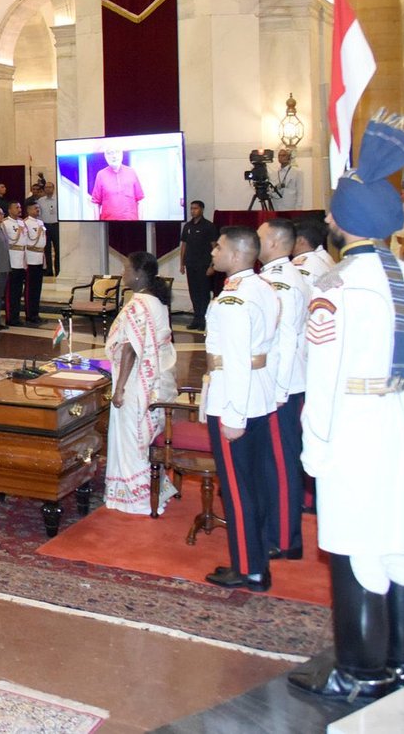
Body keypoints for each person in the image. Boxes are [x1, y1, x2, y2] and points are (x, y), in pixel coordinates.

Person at [291, 118, 404, 698]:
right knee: (401, 543)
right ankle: (402, 661)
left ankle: (359, 672)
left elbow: (324, 381)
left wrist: (316, 448)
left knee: (357, 547)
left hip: (354, 427)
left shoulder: (336, 289)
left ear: (344, 220)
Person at [201, 225, 280, 592]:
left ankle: (248, 568)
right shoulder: (264, 287)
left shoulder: (232, 299)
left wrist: (233, 416)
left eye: (218, 247)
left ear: (235, 255)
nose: (213, 252)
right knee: (256, 483)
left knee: (237, 489)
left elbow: (234, 360)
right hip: (259, 395)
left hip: (235, 400)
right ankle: (257, 560)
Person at [103, 251, 176, 515]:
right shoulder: (157, 301)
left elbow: (130, 348)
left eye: (126, 269)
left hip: (136, 381)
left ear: (138, 274)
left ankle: (135, 497)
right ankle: (153, 490)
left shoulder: (138, 305)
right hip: (155, 378)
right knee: (143, 436)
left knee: (130, 437)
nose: (123, 274)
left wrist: (119, 388)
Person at [258, 217, 309, 561]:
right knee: (272, 461)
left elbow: (287, 338)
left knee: (280, 462)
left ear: (275, 243)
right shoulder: (279, 275)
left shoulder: (282, 281)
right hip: (280, 384)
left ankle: (285, 538)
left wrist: (278, 390)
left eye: (260, 237)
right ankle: (276, 529)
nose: (256, 242)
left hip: (282, 386)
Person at [179, 201, 219, 330]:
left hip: (204, 265)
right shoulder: (187, 226)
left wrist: (212, 265)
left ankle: (204, 319)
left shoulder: (209, 226)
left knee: (203, 292)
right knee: (194, 292)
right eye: (191, 208)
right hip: (191, 264)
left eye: (195, 208)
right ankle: (196, 318)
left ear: (202, 209)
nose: (193, 211)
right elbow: (184, 246)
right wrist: (182, 263)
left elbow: (214, 247)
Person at [90, 149, 145, 221]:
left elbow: (140, 200)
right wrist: (97, 224)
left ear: (121, 154)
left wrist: (140, 223)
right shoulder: (101, 175)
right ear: (105, 156)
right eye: (110, 153)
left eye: (117, 152)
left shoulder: (131, 172)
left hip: (131, 224)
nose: (114, 156)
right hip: (108, 225)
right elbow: (96, 203)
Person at [20, 200, 47, 324]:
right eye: (35, 208)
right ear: (29, 210)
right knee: (30, 289)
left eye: (38, 208)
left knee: (37, 288)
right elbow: (25, 242)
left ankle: (35, 313)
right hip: (31, 259)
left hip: (39, 258)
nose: (37, 210)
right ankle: (30, 314)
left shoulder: (40, 222)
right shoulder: (25, 223)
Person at [36, 179, 60, 276]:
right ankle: (49, 270)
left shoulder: (58, 199)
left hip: (56, 225)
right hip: (45, 226)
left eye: (50, 187)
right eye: (46, 187)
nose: (48, 189)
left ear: (53, 189)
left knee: (58, 248)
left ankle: (58, 270)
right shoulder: (40, 201)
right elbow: (38, 215)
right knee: (47, 249)